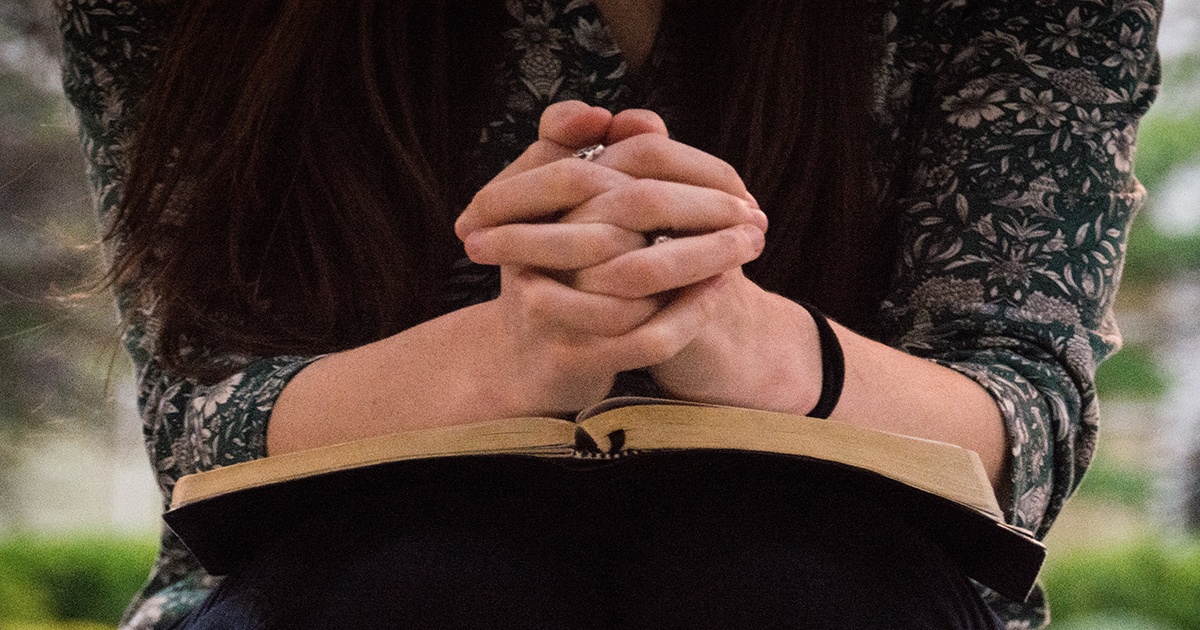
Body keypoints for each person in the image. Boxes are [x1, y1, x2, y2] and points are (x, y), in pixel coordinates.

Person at [56, 0, 1161, 628]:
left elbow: (1021, 433)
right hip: (331, 585)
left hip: (845, 586)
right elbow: (197, 422)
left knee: (790, 587)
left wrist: (738, 337)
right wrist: (505, 356)